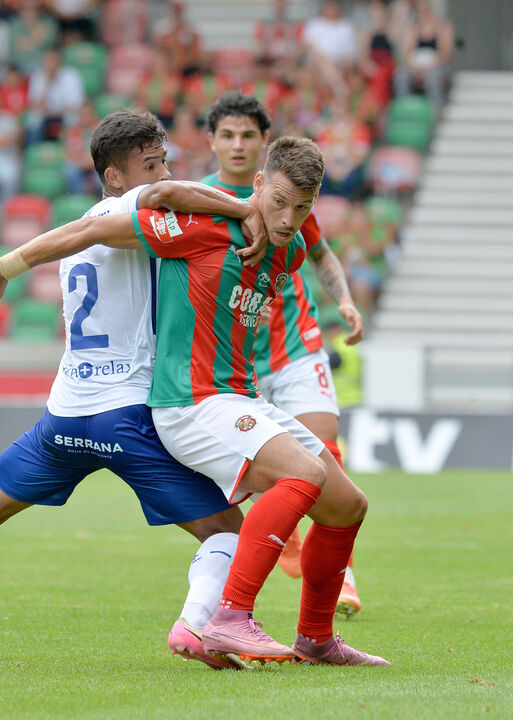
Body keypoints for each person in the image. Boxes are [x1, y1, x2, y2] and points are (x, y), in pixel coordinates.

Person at [0, 111, 270, 671]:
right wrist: (247, 207)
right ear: (114, 177)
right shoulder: (133, 210)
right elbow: (171, 194)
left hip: (65, 418)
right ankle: (195, 624)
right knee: (227, 531)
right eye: (149, 164)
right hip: (128, 416)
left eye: (163, 159)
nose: (163, 173)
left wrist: (9, 265)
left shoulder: (76, 235)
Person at [0, 136, 389, 667]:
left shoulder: (293, 248)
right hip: (189, 402)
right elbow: (96, 228)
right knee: (303, 475)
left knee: (348, 506)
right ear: (257, 184)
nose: (287, 218)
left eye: (301, 208)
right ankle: (231, 618)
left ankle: (316, 640)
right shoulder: (200, 225)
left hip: (238, 397)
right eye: (278, 201)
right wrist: (7, 266)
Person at [201, 91, 365, 617]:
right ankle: (285, 548)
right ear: (212, 142)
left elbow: (320, 253)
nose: (238, 144)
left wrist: (342, 298)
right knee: (268, 471)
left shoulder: (290, 196)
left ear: (264, 143)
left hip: (295, 346)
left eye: (249, 135)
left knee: (327, 451)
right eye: (228, 135)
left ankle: (340, 576)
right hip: (233, 362)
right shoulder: (198, 199)